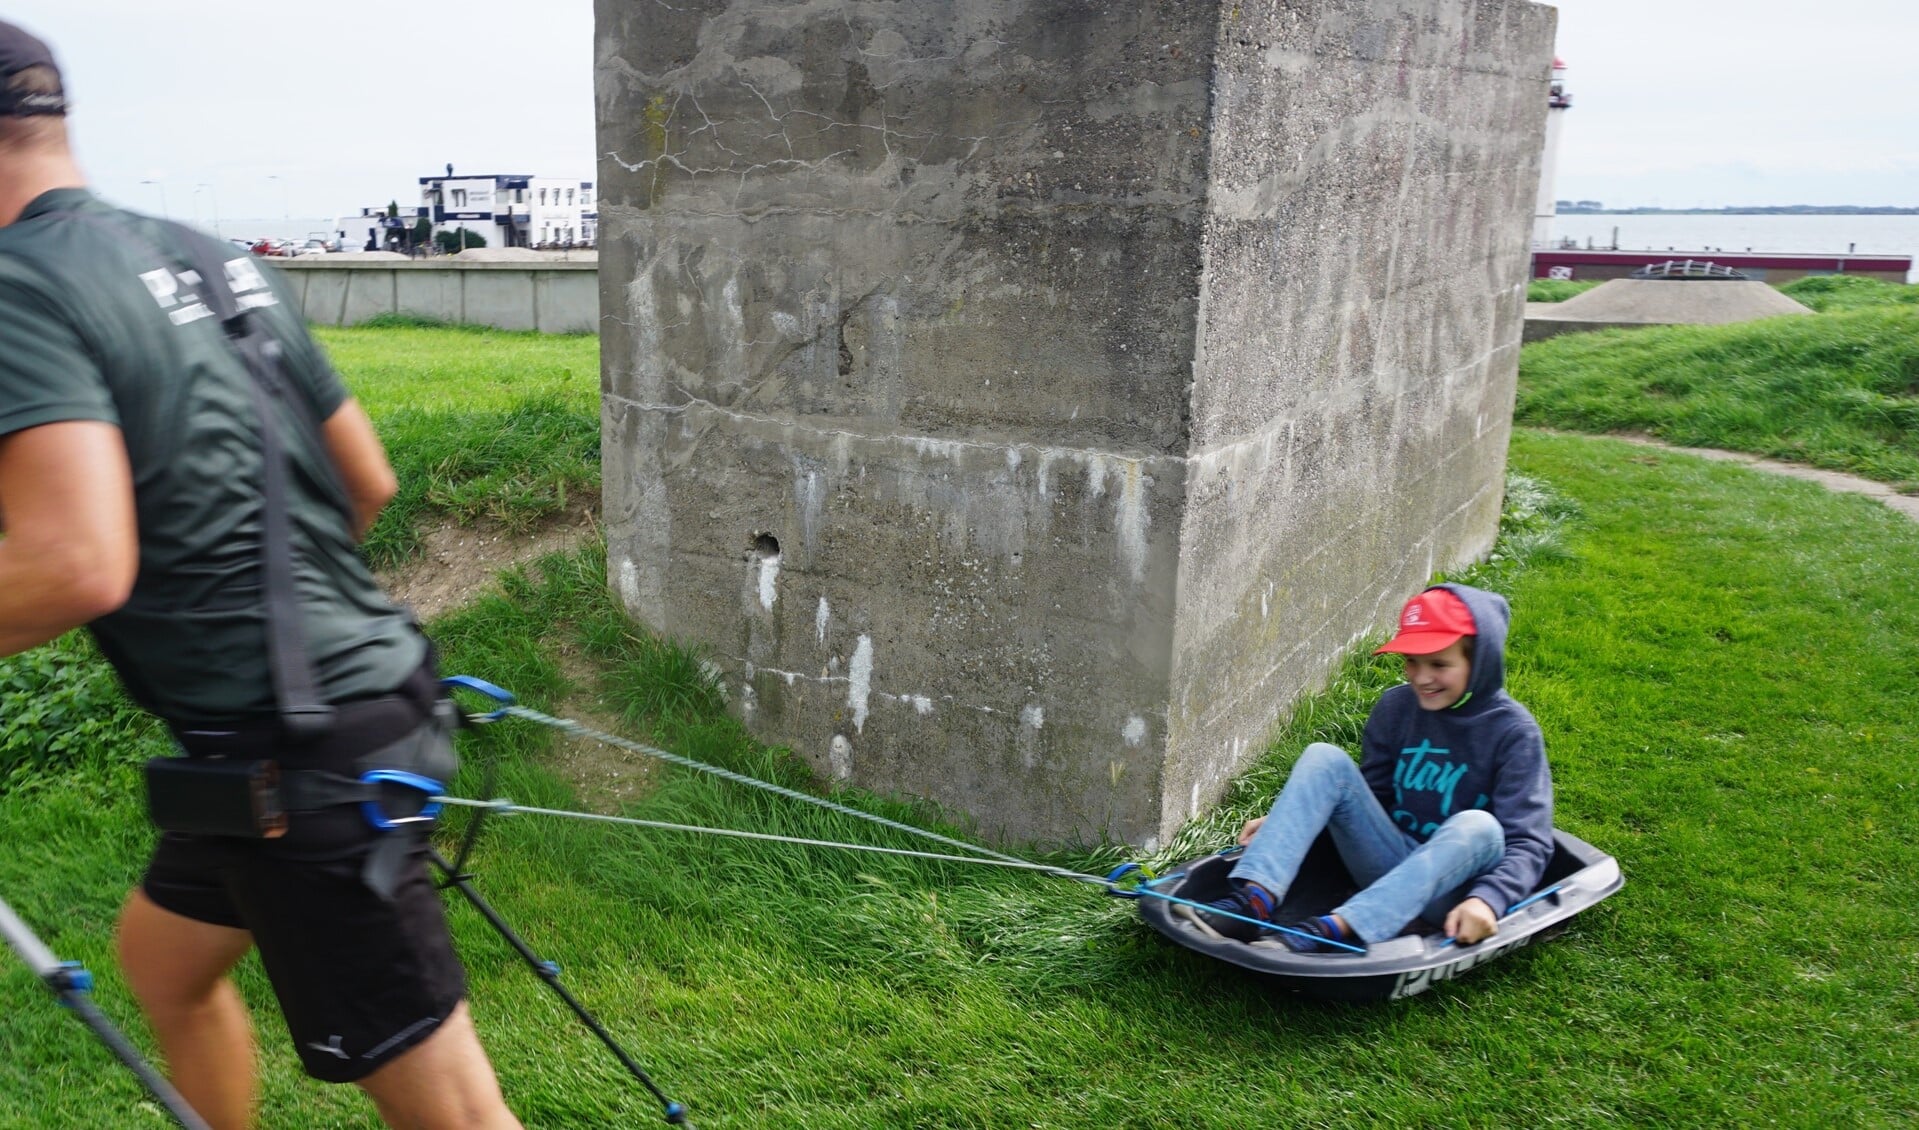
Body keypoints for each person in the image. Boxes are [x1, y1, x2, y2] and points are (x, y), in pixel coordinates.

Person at [0, 23, 520, 1129]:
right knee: (163, 960)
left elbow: (72, 563)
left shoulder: (17, 286)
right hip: (345, 712)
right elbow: (365, 481)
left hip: (306, 762)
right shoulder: (209, 255)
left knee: (456, 1111)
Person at [1178, 583, 1553, 952]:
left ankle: (1336, 928)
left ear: (1480, 661)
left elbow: (1529, 843)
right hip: (1389, 864)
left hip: (1454, 893)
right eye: (1411, 661)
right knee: (1324, 757)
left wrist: (1487, 900)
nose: (1421, 677)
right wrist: (1291, 820)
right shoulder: (1396, 708)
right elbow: (1370, 798)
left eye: (1439, 664)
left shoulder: (1514, 733)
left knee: (1479, 825)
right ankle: (1253, 902)